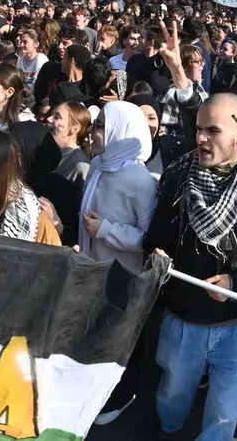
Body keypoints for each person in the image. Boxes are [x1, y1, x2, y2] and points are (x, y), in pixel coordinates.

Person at [146, 93, 237, 441]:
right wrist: (156, 258)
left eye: (212, 130)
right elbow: (154, 239)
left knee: (224, 418)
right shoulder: (179, 176)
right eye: (198, 129)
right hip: (182, 324)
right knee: (171, 400)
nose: (200, 138)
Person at [79, 100, 159, 425]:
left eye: (100, 126)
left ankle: (124, 394)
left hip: (125, 276)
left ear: (119, 132)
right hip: (96, 268)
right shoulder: (100, 164)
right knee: (100, 333)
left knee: (125, 338)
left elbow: (151, 239)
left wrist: (108, 230)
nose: (93, 132)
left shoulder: (140, 182)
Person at [15, 27, 49, 92]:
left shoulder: (40, 59)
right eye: (21, 42)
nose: (21, 45)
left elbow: (38, 85)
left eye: (25, 42)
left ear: (36, 44)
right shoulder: (20, 60)